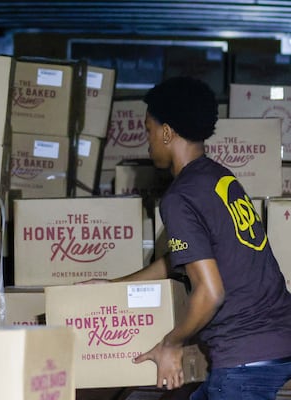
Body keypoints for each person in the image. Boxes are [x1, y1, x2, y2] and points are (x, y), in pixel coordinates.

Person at [109, 76, 291, 399]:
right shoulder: (218, 176)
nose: (147, 141)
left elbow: (210, 291)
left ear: (167, 133)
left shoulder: (179, 198)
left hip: (244, 359)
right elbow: (184, 258)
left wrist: (170, 344)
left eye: (149, 130)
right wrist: (115, 287)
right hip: (278, 339)